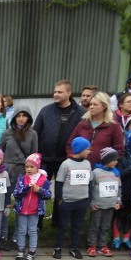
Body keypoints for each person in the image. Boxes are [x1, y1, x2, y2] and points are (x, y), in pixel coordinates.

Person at [33, 80, 84, 224]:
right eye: (55, 91)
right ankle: (37, 223)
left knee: (62, 192)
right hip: (46, 159)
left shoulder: (80, 113)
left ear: (69, 93)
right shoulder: (46, 110)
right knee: (40, 189)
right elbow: (36, 132)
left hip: (66, 159)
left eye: (59, 92)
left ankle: (58, 223)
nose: (56, 94)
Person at [0, 106, 38, 248]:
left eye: (24, 115)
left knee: (21, 205)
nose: (21, 118)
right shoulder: (7, 133)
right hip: (7, 171)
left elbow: (34, 156)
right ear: (14, 117)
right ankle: (2, 236)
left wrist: (32, 173)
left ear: (28, 118)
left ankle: (17, 237)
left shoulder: (33, 134)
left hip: (23, 172)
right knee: (4, 204)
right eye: (18, 115)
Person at [53, 137, 93, 259]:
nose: (89, 151)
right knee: (63, 225)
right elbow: (59, 182)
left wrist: (89, 198)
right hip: (67, 201)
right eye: (87, 149)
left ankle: (74, 248)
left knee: (77, 226)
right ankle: (58, 247)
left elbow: (90, 182)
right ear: (79, 149)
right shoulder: (66, 164)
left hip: (82, 201)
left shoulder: (87, 164)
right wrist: (59, 199)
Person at [65, 91, 123, 169]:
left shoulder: (114, 125)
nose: (91, 107)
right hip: (80, 169)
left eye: (95, 104)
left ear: (104, 106)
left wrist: (108, 165)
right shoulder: (82, 123)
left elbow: (118, 149)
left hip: (102, 170)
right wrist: (73, 159)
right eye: (91, 104)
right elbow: (70, 144)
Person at [12, 153, 52, 260]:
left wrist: (39, 190)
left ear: (37, 167)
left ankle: (31, 251)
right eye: (27, 167)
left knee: (32, 231)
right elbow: (16, 194)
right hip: (22, 210)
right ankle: (21, 250)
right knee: (21, 230)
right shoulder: (22, 178)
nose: (29, 169)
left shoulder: (44, 180)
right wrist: (26, 188)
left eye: (32, 167)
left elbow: (48, 195)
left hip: (35, 210)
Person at [86, 148, 121, 256]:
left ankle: (103, 246)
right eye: (113, 160)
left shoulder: (116, 173)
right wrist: (91, 203)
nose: (116, 162)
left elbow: (119, 188)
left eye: (116, 160)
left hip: (110, 206)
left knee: (106, 227)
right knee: (95, 226)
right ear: (106, 160)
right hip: (98, 206)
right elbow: (90, 188)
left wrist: (118, 201)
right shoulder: (96, 172)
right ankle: (92, 246)